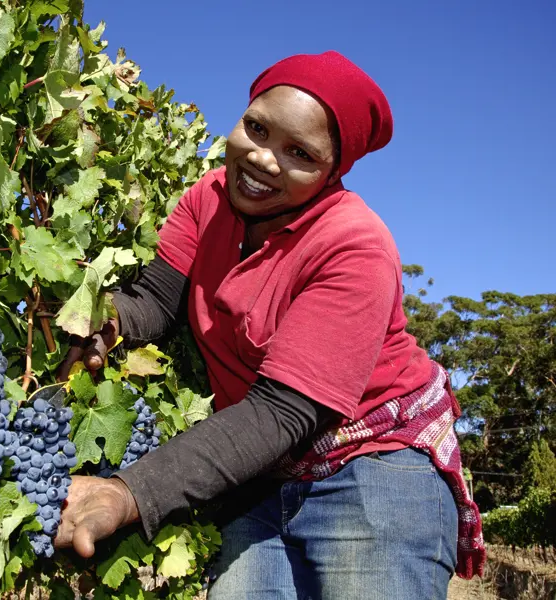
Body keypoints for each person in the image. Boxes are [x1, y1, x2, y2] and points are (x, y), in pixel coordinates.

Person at [53, 51, 485, 599]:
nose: (263, 160)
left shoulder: (355, 245)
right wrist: (99, 322)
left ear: (333, 171)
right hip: (259, 475)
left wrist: (128, 492)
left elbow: (282, 411)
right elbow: (158, 300)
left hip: (376, 465)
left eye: (299, 153)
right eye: (256, 127)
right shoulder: (207, 198)